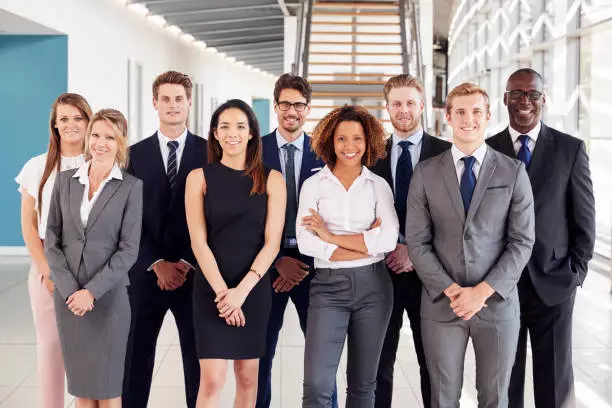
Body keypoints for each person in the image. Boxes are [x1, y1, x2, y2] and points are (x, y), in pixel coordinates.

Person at [405, 83, 535, 408]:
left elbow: (522, 241)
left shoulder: (514, 172)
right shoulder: (425, 173)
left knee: (494, 397)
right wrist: (452, 291)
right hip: (441, 305)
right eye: (460, 112)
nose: (468, 119)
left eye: (476, 112)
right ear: (447, 116)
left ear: (488, 116)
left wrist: (481, 292)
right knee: (443, 397)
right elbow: (417, 243)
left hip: (497, 304)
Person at [486, 68, 596, 408]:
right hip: (502, 285)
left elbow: (585, 219)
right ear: (505, 99)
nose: (524, 101)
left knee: (555, 380)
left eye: (532, 94)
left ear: (543, 100)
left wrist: (575, 272)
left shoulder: (570, 150)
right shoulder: (487, 151)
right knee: (505, 376)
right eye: (516, 94)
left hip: (555, 281)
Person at [185, 99, 286, 407]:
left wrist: (240, 294)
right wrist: (223, 296)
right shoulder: (198, 178)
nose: (232, 133)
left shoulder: (272, 180)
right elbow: (198, 242)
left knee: (247, 376)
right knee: (213, 378)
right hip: (211, 289)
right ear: (215, 134)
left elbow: (272, 244)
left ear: (252, 133)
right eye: (225, 127)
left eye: (240, 126)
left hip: (252, 290)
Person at [297, 106, 399, 408]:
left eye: (357, 138)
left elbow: (389, 240)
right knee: (316, 385)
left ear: (368, 142)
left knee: (363, 385)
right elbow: (306, 242)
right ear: (330, 140)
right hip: (328, 288)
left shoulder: (379, 187)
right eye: (341, 139)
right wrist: (365, 242)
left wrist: (329, 236)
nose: (349, 146)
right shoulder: (313, 185)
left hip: (374, 289)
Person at [45, 109, 143, 407]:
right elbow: (52, 240)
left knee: (109, 391)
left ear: (121, 142)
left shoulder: (130, 187)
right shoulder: (64, 182)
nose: (100, 143)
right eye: (96, 135)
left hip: (108, 301)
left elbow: (128, 250)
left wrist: (91, 292)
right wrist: (72, 291)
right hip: (69, 301)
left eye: (109, 137)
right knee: (82, 390)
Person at [122, 71, 206, 408]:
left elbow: (215, 216)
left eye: (179, 99)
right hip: (144, 274)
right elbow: (125, 220)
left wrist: (185, 261)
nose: (172, 105)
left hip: (196, 275)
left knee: (197, 362)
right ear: (154, 103)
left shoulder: (210, 153)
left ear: (189, 103)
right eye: (166, 99)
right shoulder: (131, 156)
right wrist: (155, 262)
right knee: (135, 360)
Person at [370, 74, 450, 408]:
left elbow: (452, 217)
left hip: (430, 276)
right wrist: (392, 246)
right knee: (377, 365)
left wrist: (414, 253)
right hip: (381, 274)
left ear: (422, 106)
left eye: (410, 103)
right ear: (386, 107)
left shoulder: (446, 153)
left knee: (433, 365)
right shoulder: (371, 154)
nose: (404, 110)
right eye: (397, 103)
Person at [258, 73, 338, 408]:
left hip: (313, 268)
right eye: (286, 104)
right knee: (259, 356)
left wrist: (305, 260)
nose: (292, 111)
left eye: (299, 105)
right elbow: (242, 215)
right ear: (276, 107)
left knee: (322, 358)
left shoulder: (326, 153)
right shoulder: (253, 150)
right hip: (263, 266)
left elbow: (334, 212)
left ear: (308, 109)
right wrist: (276, 259)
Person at [15, 93, 92, 408]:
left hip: (93, 269)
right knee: (50, 347)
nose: (71, 124)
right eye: (64, 119)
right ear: (55, 125)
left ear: (89, 121)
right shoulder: (36, 167)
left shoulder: (104, 163)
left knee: (91, 351)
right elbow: (29, 227)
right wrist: (48, 272)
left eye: (78, 118)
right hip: (48, 268)